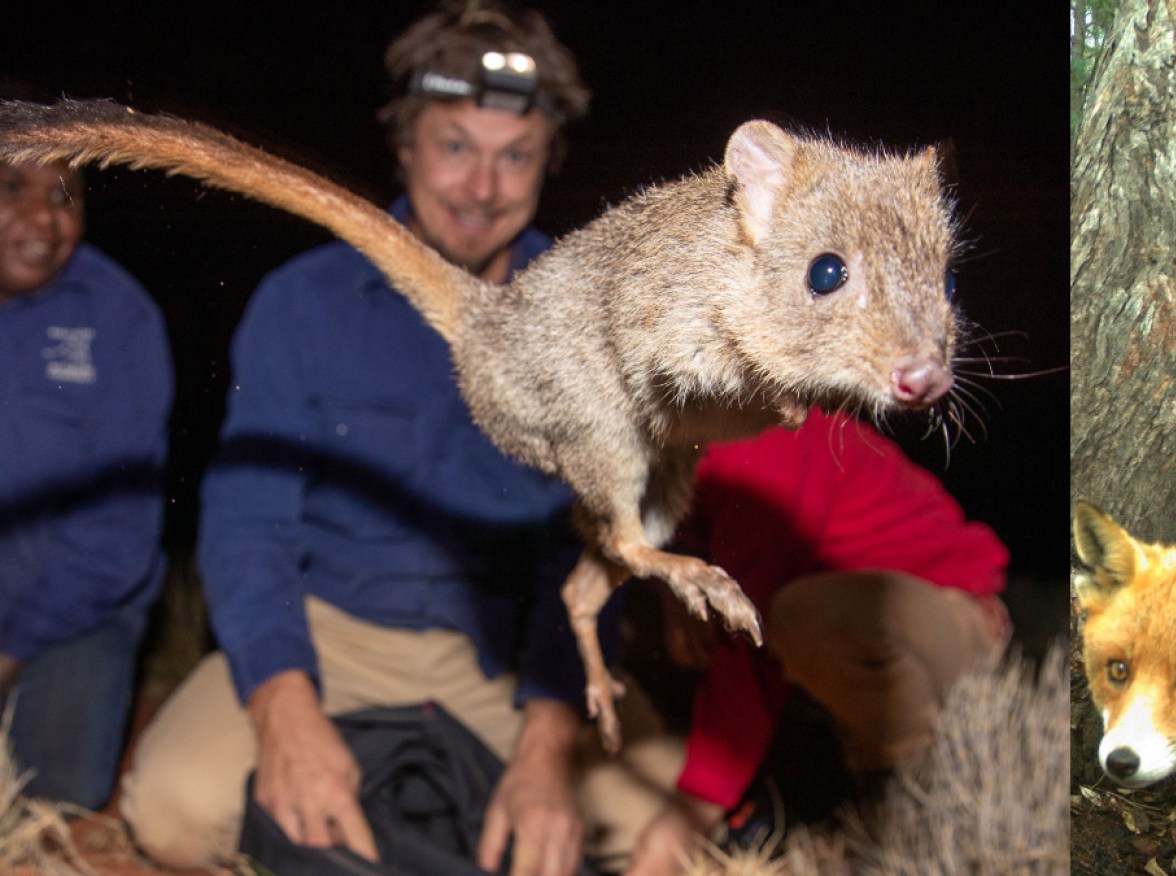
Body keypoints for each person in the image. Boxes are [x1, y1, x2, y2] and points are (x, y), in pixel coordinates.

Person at [118, 3, 637, 874]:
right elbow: (250, 521)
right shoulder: (302, 301)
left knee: (643, 826)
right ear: (403, 144)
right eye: (455, 147)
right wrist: (285, 710)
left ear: (550, 161)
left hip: (507, 658)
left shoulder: (596, 325)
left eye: (515, 156)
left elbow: (592, 555)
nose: (482, 187)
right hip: (330, 633)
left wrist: (547, 746)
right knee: (172, 810)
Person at [617, 409, 1011, 876]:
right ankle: (789, 789)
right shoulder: (679, 445)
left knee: (795, 617)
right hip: (820, 631)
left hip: (944, 612)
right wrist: (671, 584)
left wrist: (685, 820)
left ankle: (903, 796)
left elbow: (749, 642)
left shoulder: (756, 438)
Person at [0, 153, 174, 810]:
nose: (42, 217)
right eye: (11, 189)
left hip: (78, 603)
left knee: (58, 794)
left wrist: (10, 652)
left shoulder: (120, 318)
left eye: (64, 194)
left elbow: (117, 535)